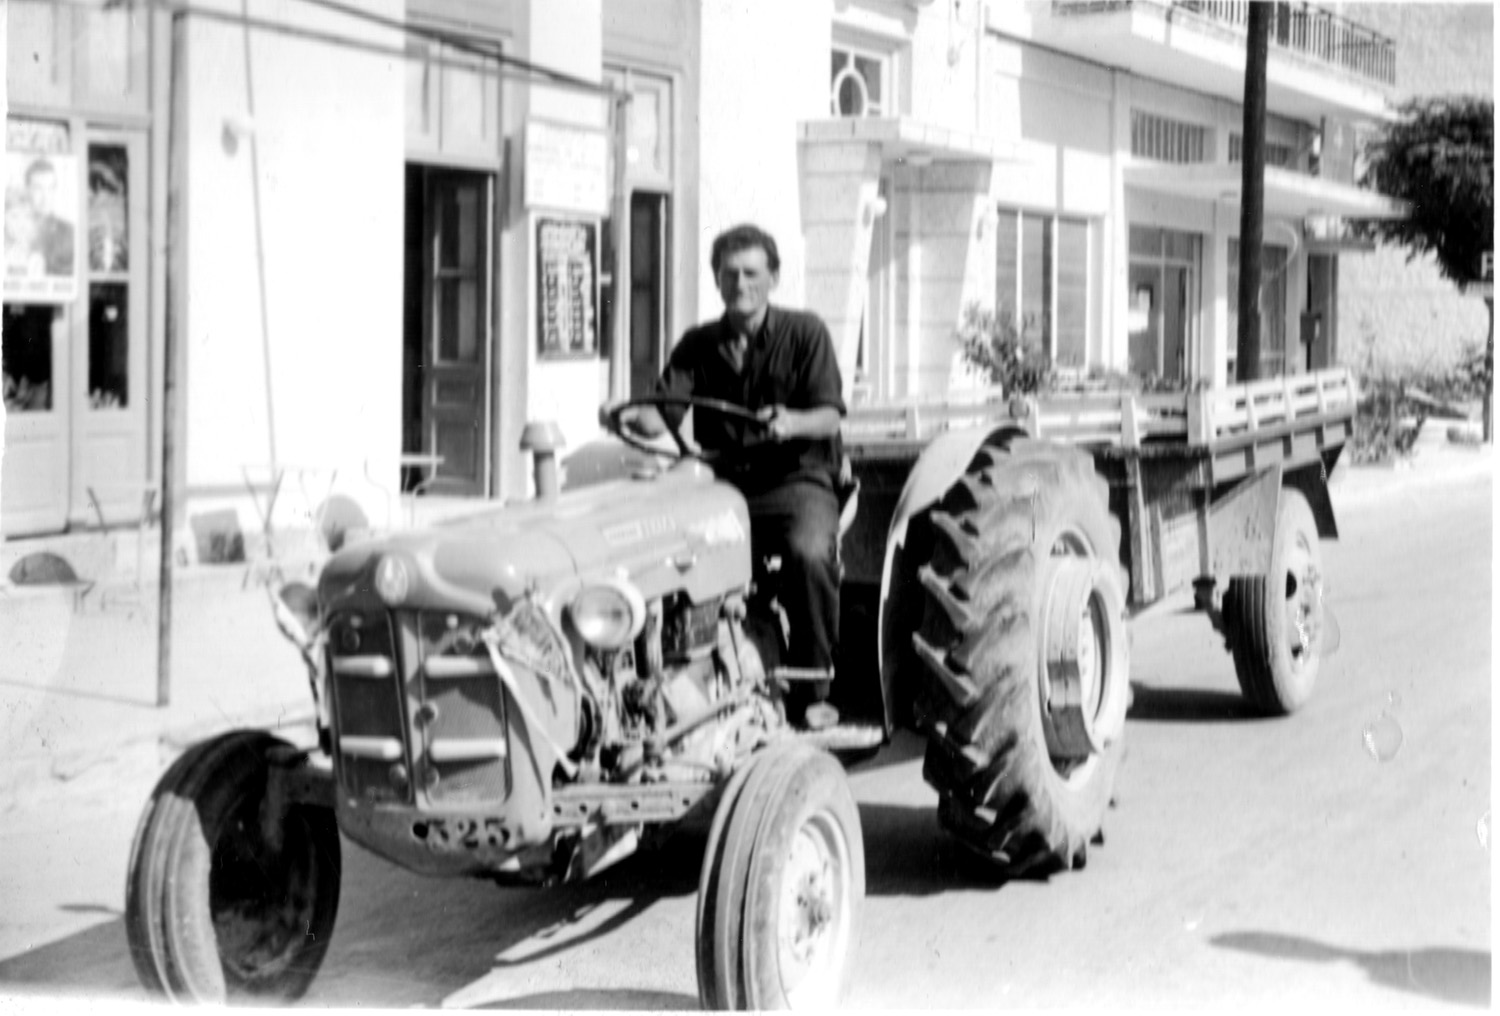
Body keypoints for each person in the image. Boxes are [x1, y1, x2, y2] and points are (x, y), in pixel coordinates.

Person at [611, 223, 846, 730]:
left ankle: (814, 686)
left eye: (752, 273)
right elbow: (661, 413)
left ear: (773, 278)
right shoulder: (698, 344)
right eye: (730, 274)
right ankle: (661, 680)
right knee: (656, 545)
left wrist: (791, 423)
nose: (741, 284)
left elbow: (829, 416)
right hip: (723, 485)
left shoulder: (805, 333)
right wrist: (628, 414)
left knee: (808, 552)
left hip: (795, 479)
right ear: (716, 279)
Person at [24, 159, 74, 277]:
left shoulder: (69, 232)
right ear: (27, 190)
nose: (45, 196)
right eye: (38, 188)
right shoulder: (12, 232)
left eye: (50, 188)